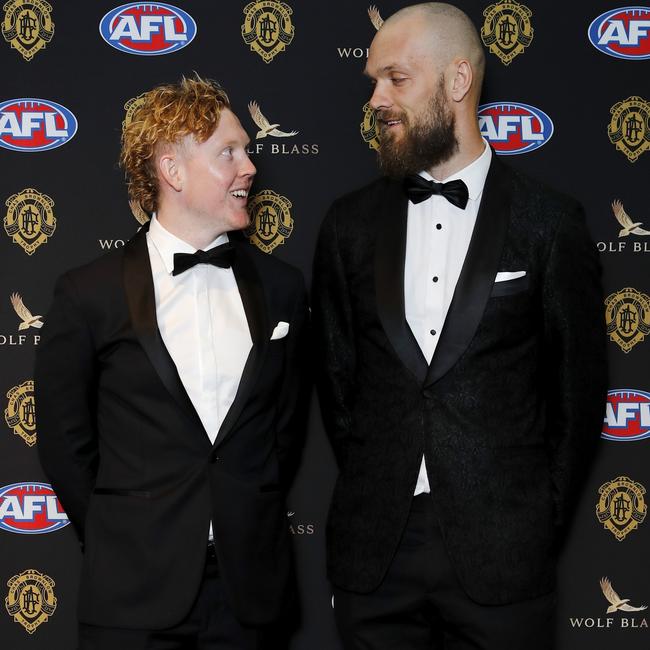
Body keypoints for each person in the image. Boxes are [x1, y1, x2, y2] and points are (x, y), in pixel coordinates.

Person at [312, 4, 607, 649]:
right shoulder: (347, 226)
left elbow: (577, 398)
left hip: (504, 555)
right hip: (375, 556)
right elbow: (337, 385)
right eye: (371, 81)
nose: (376, 99)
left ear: (456, 82)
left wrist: (532, 519)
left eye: (395, 79)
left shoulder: (549, 224)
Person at [35, 75, 309, 650]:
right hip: (132, 598)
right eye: (227, 152)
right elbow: (66, 445)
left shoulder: (283, 290)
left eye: (248, 151)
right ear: (173, 171)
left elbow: (284, 431)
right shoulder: (88, 293)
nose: (250, 167)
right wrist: (124, 535)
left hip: (251, 597)